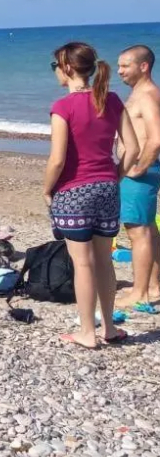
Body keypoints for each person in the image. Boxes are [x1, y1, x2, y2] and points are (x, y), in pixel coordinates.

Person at [43, 41, 139, 348]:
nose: (55, 72)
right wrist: (114, 175)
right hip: (108, 187)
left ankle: (87, 331)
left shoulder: (63, 106)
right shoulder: (110, 100)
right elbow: (133, 148)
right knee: (104, 260)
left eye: (55, 66)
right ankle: (108, 327)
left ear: (68, 68)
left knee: (82, 263)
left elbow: (57, 159)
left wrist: (47, 190)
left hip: (75, 191)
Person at [116, 45, 160, 309]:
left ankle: (139, 292)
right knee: (149, 230)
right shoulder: (141, 94)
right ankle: (153, 286)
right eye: (119, 66)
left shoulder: (146, 96)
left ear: (143, 66)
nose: (120, 71)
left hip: (140, 173)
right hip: (142, 171)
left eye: (125, 65)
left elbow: (156, 139)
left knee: (138, 232)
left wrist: (139, 167)